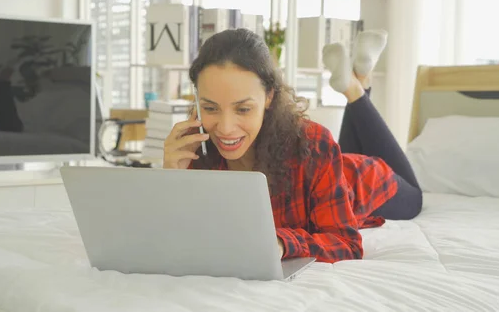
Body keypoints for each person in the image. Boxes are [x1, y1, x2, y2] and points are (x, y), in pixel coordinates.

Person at [162, 28, 423, 263]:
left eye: (243, 108)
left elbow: (347, 244)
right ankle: (359, 80)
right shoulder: (193, 153)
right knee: (342, 151)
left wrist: (281, 243)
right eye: (210, 107)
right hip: (334, 166)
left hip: (363, 180)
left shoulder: (314, 144)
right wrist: (170, 181)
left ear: (269, 97)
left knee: (416, 198)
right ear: (196, 101)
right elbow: (180, 240)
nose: (225, 127)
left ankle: (355, 90)